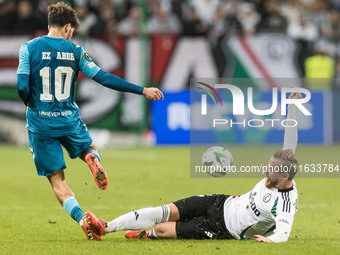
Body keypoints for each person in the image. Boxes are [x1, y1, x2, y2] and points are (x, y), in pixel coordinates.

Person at [16, 2, 163, 241]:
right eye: (72, 29)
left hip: (41, 122)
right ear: (67, 27)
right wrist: (142, 89)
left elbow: (22, 86)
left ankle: (82, 218)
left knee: (57, 180)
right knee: (89, 148)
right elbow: (103, 77)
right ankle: (91, 159)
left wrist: (28, 101)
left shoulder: (29, 48)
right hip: (68, 119)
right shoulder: (75, 51)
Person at [88, 90, 301, 243]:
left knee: (161, 229)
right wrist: (292, 109)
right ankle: (105, 228)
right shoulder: (280, 170)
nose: (267, 170)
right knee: (163, 211)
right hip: (221, 201)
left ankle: (146, 234)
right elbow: (290, 140)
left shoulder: (284, 203)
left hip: (221, 228)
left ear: (286, 177)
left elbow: (284, 232)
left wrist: (270, 240)